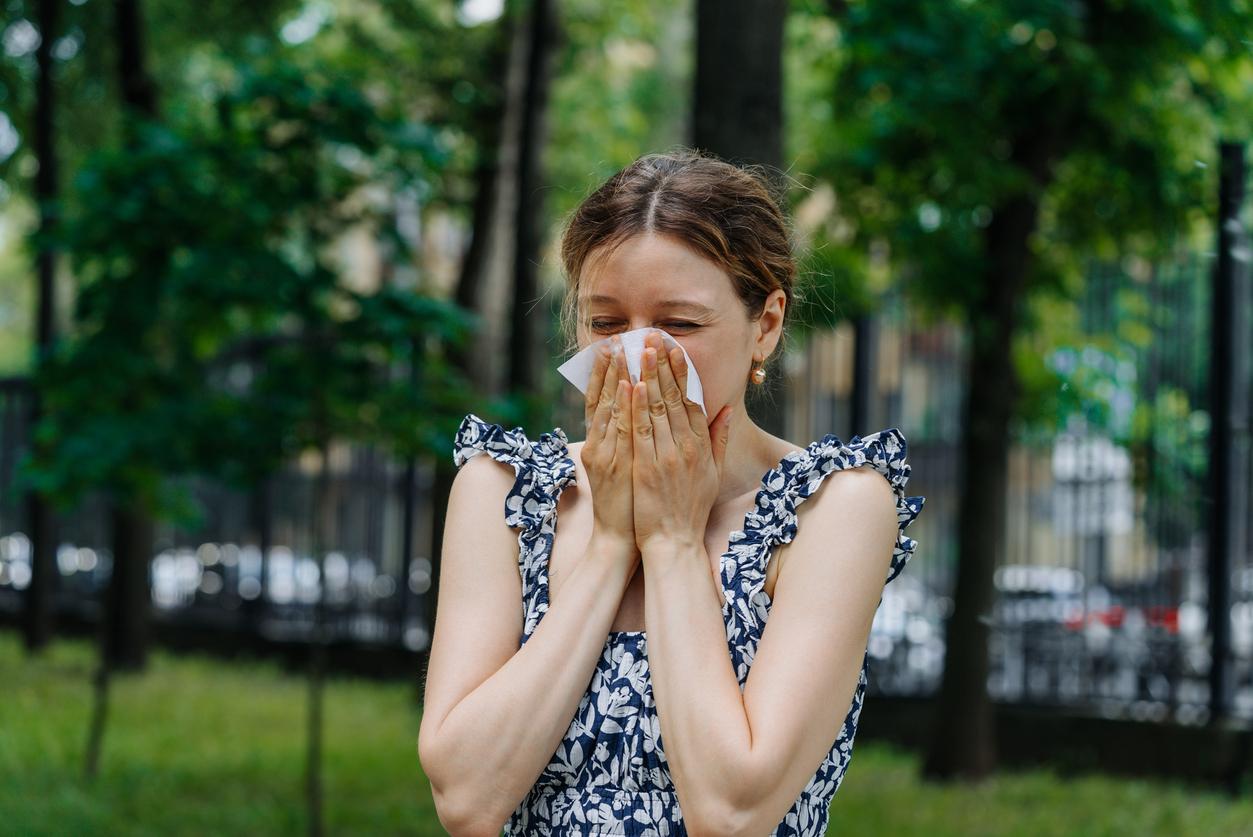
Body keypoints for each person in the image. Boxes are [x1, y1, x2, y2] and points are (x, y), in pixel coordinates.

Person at [418, 148, 925, 836]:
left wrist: (673, 539)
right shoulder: (504, 490)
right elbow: (465, 799)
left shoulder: (831, 507)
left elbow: (732, 811)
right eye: (604, 324)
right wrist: (610, 542)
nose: (637, 356)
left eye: (679, 325)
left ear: (766, 324)